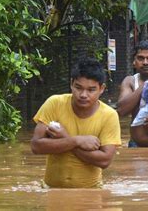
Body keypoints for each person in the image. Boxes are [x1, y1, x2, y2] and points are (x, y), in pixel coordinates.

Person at [30, 57, 121, 188]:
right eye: (78, 87)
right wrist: (76, 141)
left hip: (91, 193)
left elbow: (105, 160)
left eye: (91, 90)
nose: (83, 95)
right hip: (52, 190)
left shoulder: (109, 116)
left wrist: (65, 138)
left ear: (101, 89)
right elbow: (36, 146)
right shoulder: (54, 103)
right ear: (71, 84)